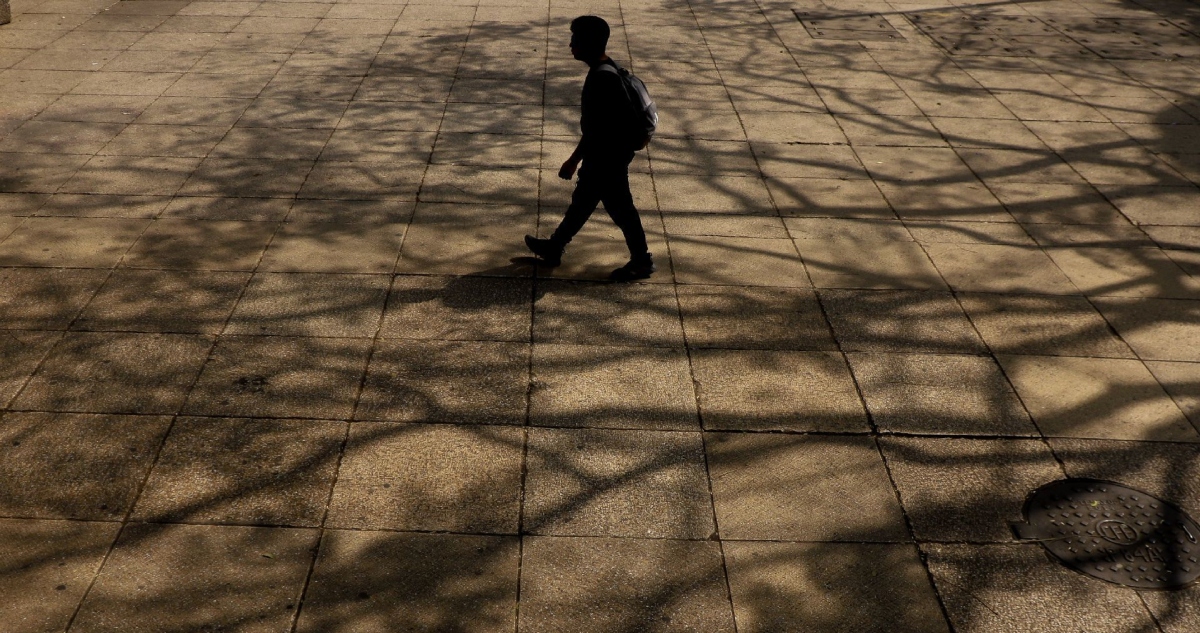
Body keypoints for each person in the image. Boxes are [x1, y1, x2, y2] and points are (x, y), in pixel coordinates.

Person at [524, 15, 655, 281]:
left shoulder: (601, 79)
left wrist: (573, 160)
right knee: (583, 202)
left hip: (608, 156)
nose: (570, 45)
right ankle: (555, 246)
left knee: (621, 209)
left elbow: (596, 129)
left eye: (575, 40)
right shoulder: (609, 69)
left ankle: (642, 261)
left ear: (588, 43)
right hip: (611, 153)